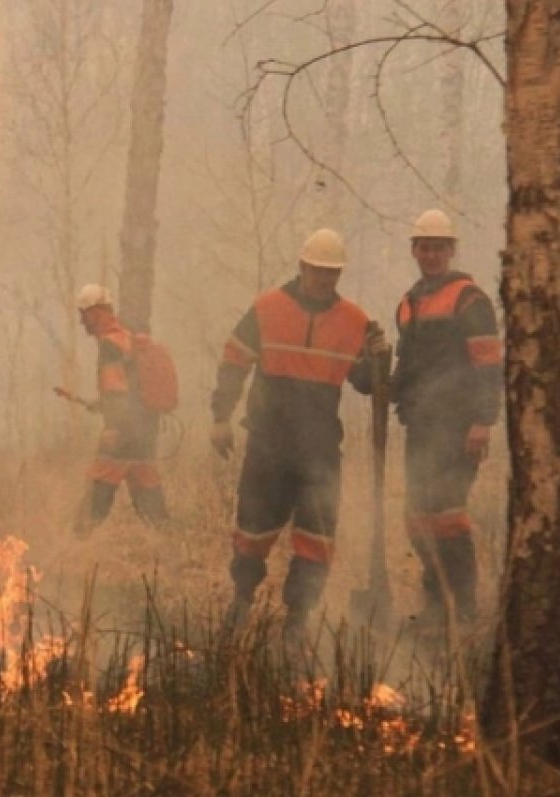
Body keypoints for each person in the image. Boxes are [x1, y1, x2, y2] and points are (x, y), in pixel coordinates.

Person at [210, 229, 387, 647]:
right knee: (252, 531)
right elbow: (234, 361)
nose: (324, 280)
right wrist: (220, 416)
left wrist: (377, 357)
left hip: (320, 451)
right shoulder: (267, 309)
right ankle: (240, 603)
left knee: (316, 539)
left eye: (332, 273)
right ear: (302, 267)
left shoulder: (355, 322)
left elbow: (367, 384)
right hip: (268, 445)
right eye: (317, 271)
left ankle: (297, 622)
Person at [392, 209, 501, 628]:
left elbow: (487, 362)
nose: (431, 254)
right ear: (414, 251)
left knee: (448, 515)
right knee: (418, 518)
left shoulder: (469, 299)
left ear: (451, 250)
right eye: (424, 247)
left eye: (438, 247)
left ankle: (467, 611)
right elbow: (408, 365)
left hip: (458, 427)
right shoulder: (408, 303)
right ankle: (437, 608)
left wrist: (482, 420)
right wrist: (384, 383)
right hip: (421, 426)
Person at [74, 283, 168, 535]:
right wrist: (102, 404)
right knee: (145, 482)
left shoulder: (109, 345)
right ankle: (169, 541)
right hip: (145, 428)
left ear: (96, 312)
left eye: (84, 315)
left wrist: (113, 427)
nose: (82, 323)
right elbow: (130, 387)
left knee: (100, 483)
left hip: (124, 430)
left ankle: (76, 542)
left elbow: (118, 392)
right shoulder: (126, 338)